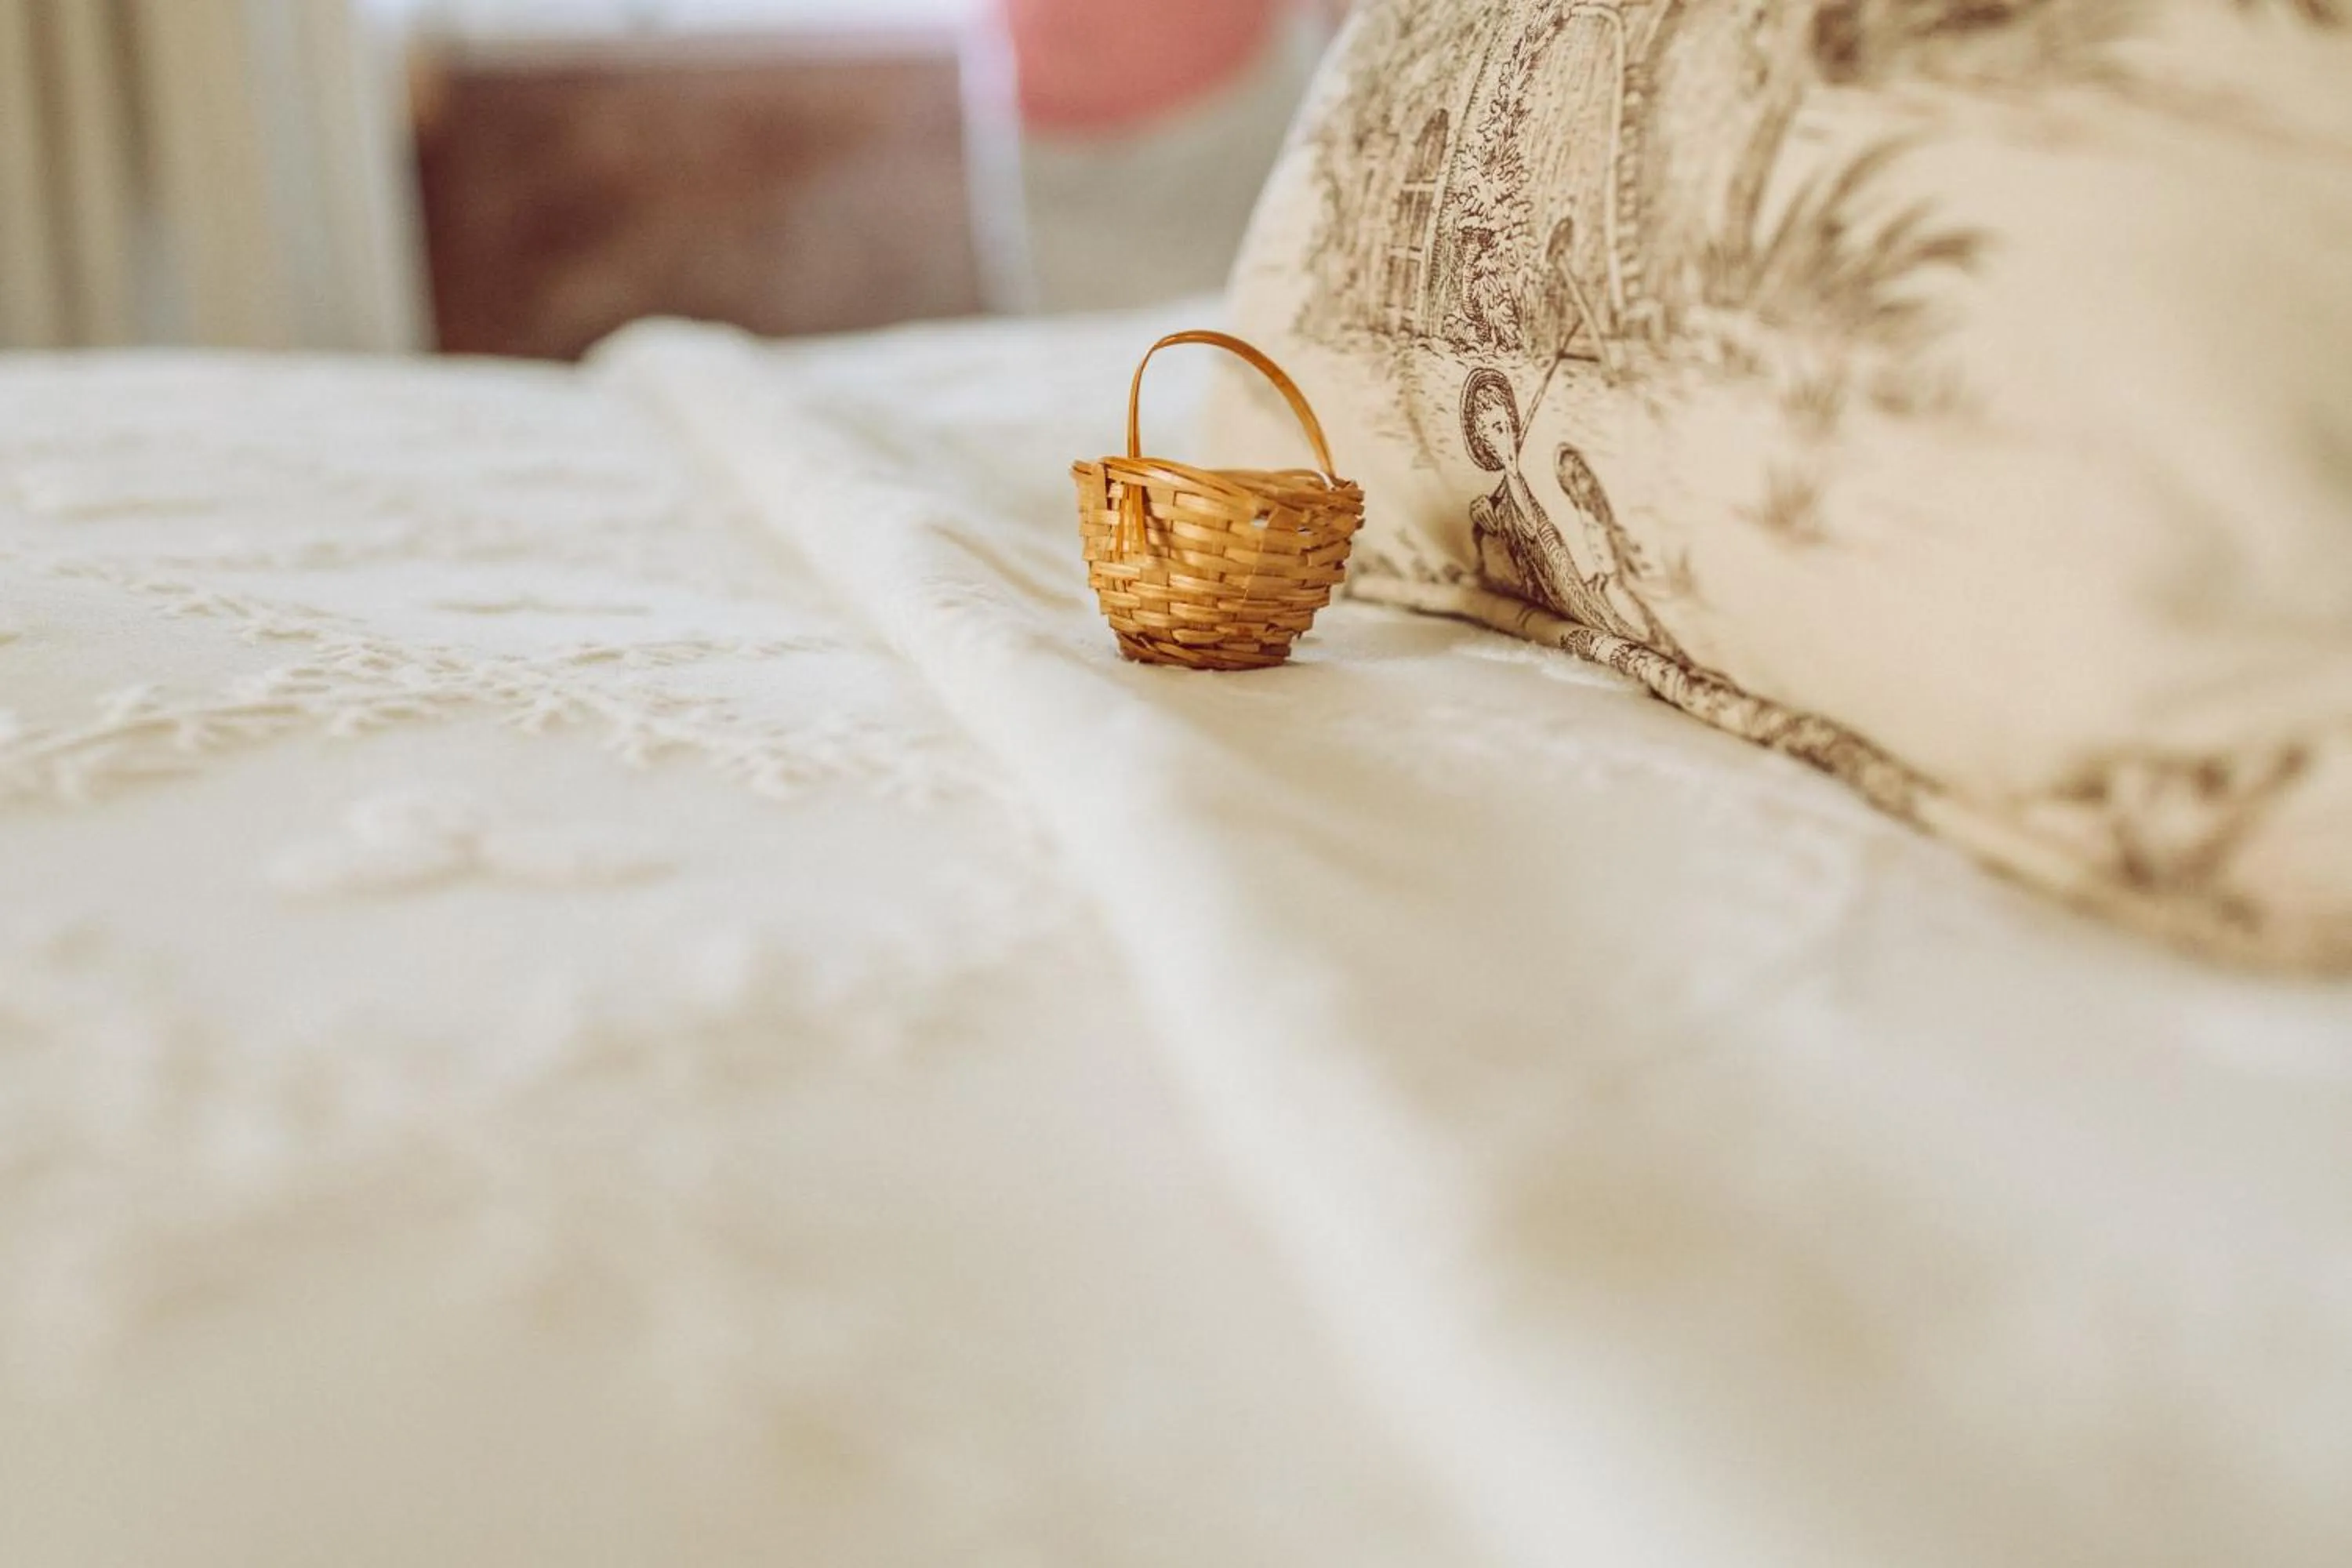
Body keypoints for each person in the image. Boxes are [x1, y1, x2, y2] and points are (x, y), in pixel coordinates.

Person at [1461, 368, 1638, 638]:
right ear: (1484, 442)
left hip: (1584, 593)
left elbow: (1542, 537)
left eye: (1508, 423)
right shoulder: (1499, 502)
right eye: (1496, 430)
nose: (1506, 435)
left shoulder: (1531, 473)